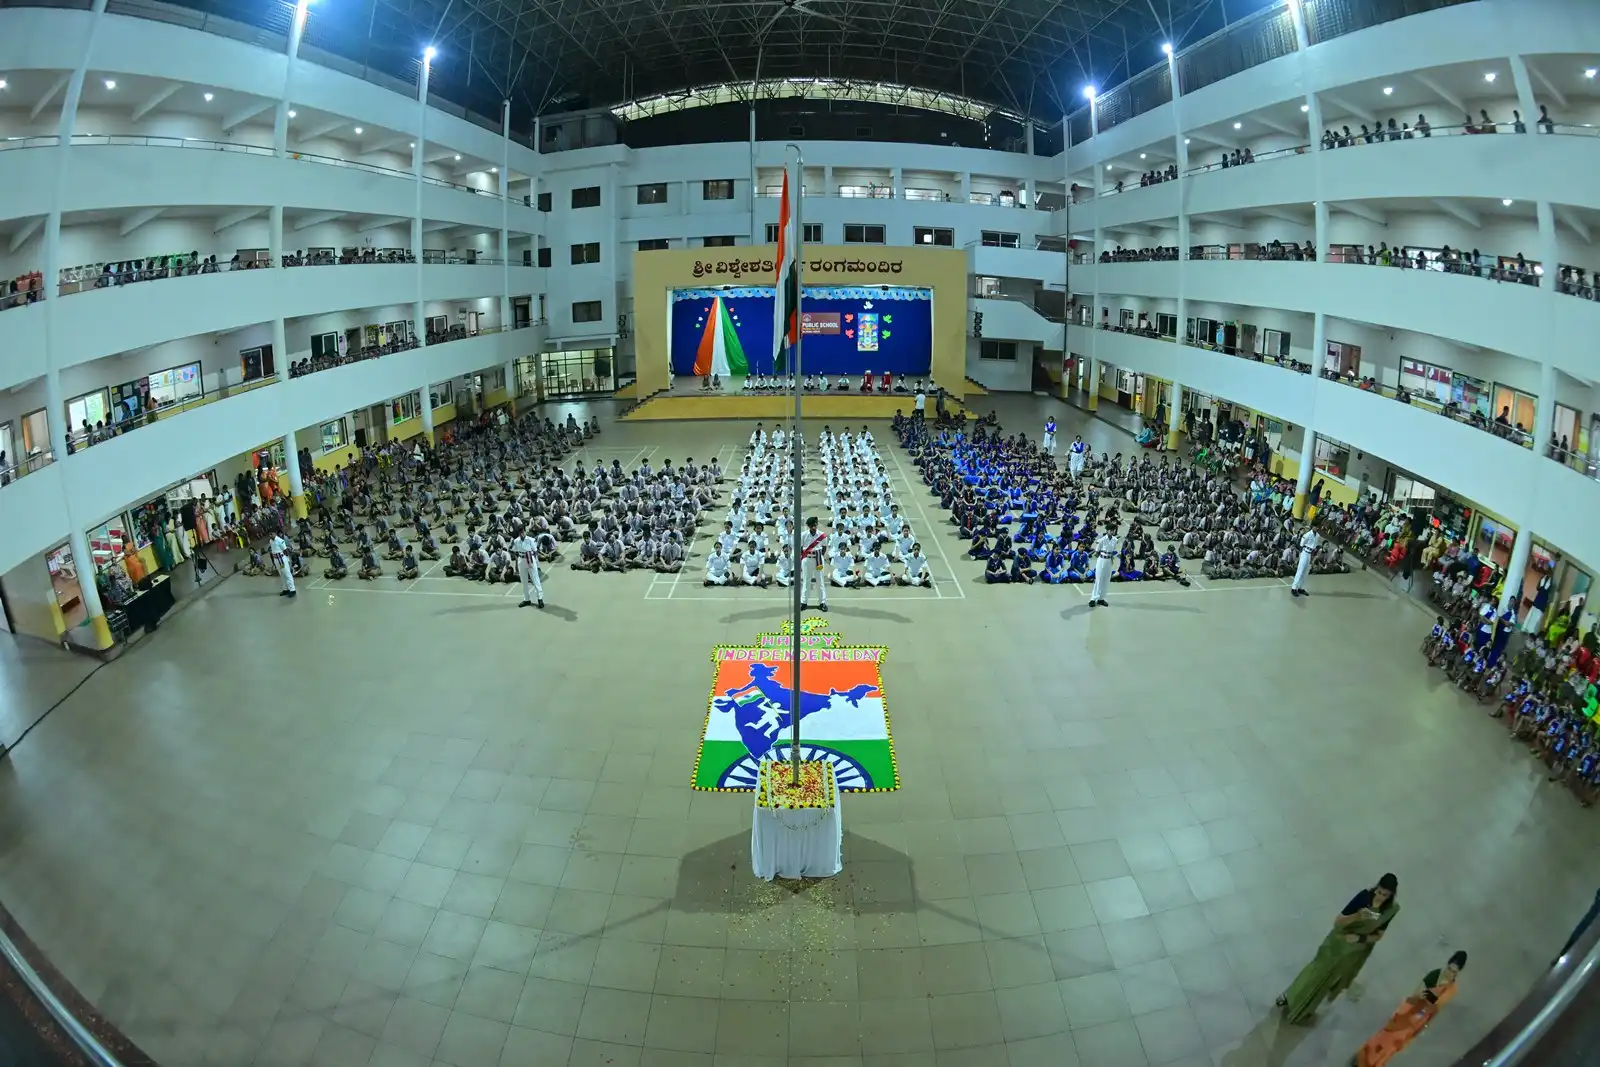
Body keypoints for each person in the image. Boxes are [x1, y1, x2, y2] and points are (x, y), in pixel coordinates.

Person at [1278, 873, 1400, 1024]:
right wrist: (1357, 916)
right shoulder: (1363, 897)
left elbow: (1379, 935)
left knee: (1330, 980)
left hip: (1355, 950)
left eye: (1386, 895)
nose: (1381, 897)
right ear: (1377, 887)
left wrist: (1360, 939)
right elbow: (1338, 921)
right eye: (1379, 892)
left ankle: (1306, 1010)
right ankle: (1290, 996)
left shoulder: (1390, 910)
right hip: (1337, 943)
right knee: (1316, 971)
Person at [1351, 952, 1466, 1067]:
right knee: (1385, 1035)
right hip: (1408, 1011)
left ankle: (1376, 1063)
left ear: (1458, 972)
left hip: (1420, 1019)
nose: (1449, 973)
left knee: (1396, 1044)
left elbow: (1436, 1005)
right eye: (1449, 969)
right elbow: (1418, 993)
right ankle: (1362, 1059)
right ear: (1447, 964)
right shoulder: (1435, 975)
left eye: (1453, 972)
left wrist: (1428, 997)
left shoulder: (1452, 989)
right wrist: (1428, 997)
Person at [509, 528, 545, 609]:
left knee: (535, 579)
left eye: (522, 532)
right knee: (523, 580)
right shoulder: (516, 541)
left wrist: (535, 562)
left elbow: (535, 551)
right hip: (521, 559)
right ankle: (527, 599)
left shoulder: (530, 540)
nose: (521, 534)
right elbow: (514, 551)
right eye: (520, 533)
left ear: (525, 531)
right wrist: (516, 562)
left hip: (529, 558)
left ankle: (540, 598)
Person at [799, 515, 829, 610]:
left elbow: (824, 548)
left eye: (815, 525)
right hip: (807, 559)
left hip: (818, 559)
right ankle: (804, 602)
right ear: (809, 526)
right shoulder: (803, 535)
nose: (814, 527)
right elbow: (800, 548)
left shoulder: (822, 535)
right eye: (812, 525)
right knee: (806, 581)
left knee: (820, 581)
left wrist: (819, 556)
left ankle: (822, 602)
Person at [1089, 524, 1118, 607]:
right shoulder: (1101, 540)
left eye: (1113, 530)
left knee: (1106, 579)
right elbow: (1097, 552)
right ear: (1107, 530)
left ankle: (1101, 598)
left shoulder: (1115, 540)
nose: (1112, 532)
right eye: (1110, 530)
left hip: (1109, 561)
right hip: (1102, 560)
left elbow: (1113, 551)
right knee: (1099, 579)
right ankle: (1093, 599)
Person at [1291, 522, 1320, 597]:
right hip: (1304, 553)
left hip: (1310, 554)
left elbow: (1315, 547)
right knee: (1300, 571)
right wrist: (1301, 554)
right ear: (1312, 527)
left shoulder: (1317, 536)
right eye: (1315, 527)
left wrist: (1313, 557)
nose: (1316, 528)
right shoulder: (1307, 535)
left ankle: (1301, 588)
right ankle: (1294, 588)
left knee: (1306, 572)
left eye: (1317, 527)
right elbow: (1301, 544)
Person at [268, 531, 296, 598]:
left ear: (275, 533)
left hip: (282, 559)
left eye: (271, 534)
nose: (270, 535)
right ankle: (285, 589)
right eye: (269, 534)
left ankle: (292, 589)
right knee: (282, 575)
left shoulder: (280, 541)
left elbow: (286, 551)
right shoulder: (271, 541)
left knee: (287, 574)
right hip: (276, 559)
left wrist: (288, 560)